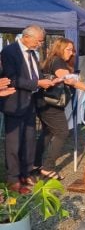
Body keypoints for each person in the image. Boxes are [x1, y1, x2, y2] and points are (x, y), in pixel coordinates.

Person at [34, 38, 85, 180]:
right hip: (51, 104)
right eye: (68, 49)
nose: (72, 53)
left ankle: (34, 163)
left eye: (73, 50)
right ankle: (48, 167)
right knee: (62, 132)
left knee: (47, 132)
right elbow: (68, 79)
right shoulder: (57, 61)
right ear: (60, 48)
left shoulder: (52, 60)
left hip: (44, 102)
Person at [0, 25, 57, 194]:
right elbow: (12, 79)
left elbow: (35, 75)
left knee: (29, 140)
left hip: (30, 103)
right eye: (38, 41)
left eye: (41, 41)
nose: (40, 44)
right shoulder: (10, 52)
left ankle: (25, 173)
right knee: (14, 144)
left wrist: (46, 80)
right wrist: (37, 83)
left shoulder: (34, 53)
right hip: (14, 103)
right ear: (27, 37)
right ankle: (13, 179)